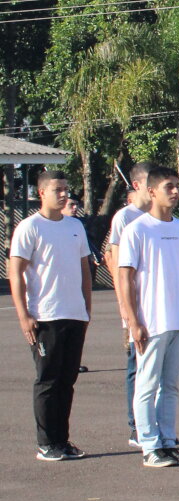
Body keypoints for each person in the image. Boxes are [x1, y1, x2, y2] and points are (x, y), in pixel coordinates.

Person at [116, 166, 179, 468]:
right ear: (151, 192)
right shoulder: (136, 230)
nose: (176, 191)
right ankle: (149, 445)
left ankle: (167, 441)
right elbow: (124, 277)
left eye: (177, 185)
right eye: (169, 186)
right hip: (151, 321)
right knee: (147, 384)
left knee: (171, 385)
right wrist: (133, 321)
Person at [10, 168, 94, 461]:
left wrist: (86, 307)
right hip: (45, 316)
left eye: (66, 189)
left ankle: (62, 439)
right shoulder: (30, 227)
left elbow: (84, 269)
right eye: (57, 190)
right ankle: (47, 443)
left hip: (73, 314)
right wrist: (24, 315)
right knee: (48, 380)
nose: (63, 194)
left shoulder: (74, 227)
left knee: (67, 380)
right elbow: (16, 272)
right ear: (41, 193)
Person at [107, 161, 153, 446]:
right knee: (137, 365)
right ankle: (136, 427)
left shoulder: (162, 217)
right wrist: (125, 306)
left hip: (158, 304)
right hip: (135, 304)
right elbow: (115, 263)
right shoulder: (125, 217)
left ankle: (155, 424)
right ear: (137, 185)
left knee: (157, 372)